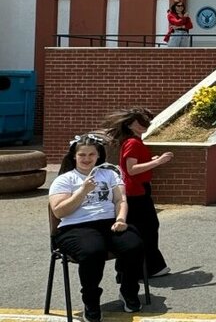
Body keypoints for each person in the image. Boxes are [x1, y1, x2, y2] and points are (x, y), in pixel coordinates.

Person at [49, 134, 145, 321]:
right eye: (82, 155)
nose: (86, 159)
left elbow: (120, 199)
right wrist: (82, 191)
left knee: (134, 244)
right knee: (93, 251)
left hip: (109, 222)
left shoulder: (109, 174)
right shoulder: (64, 179)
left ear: (98, 156)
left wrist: (121, 219)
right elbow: (60, 212)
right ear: (74, 156)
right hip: (75, 227)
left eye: (91, 155)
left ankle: (128, 291)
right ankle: (91, 301)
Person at [105, 108, 173, 279]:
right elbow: (132, 169)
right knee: (147, 228)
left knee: (143, 228)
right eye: (138, 122)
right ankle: (150, 267)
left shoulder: (132, 142)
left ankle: (139, 268)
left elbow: (132, 166)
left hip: (136, 189)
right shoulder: (133, 143)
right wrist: (158, 161)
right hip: (136, 190)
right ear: (130, 125)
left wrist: (150, 161)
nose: (143, 125)